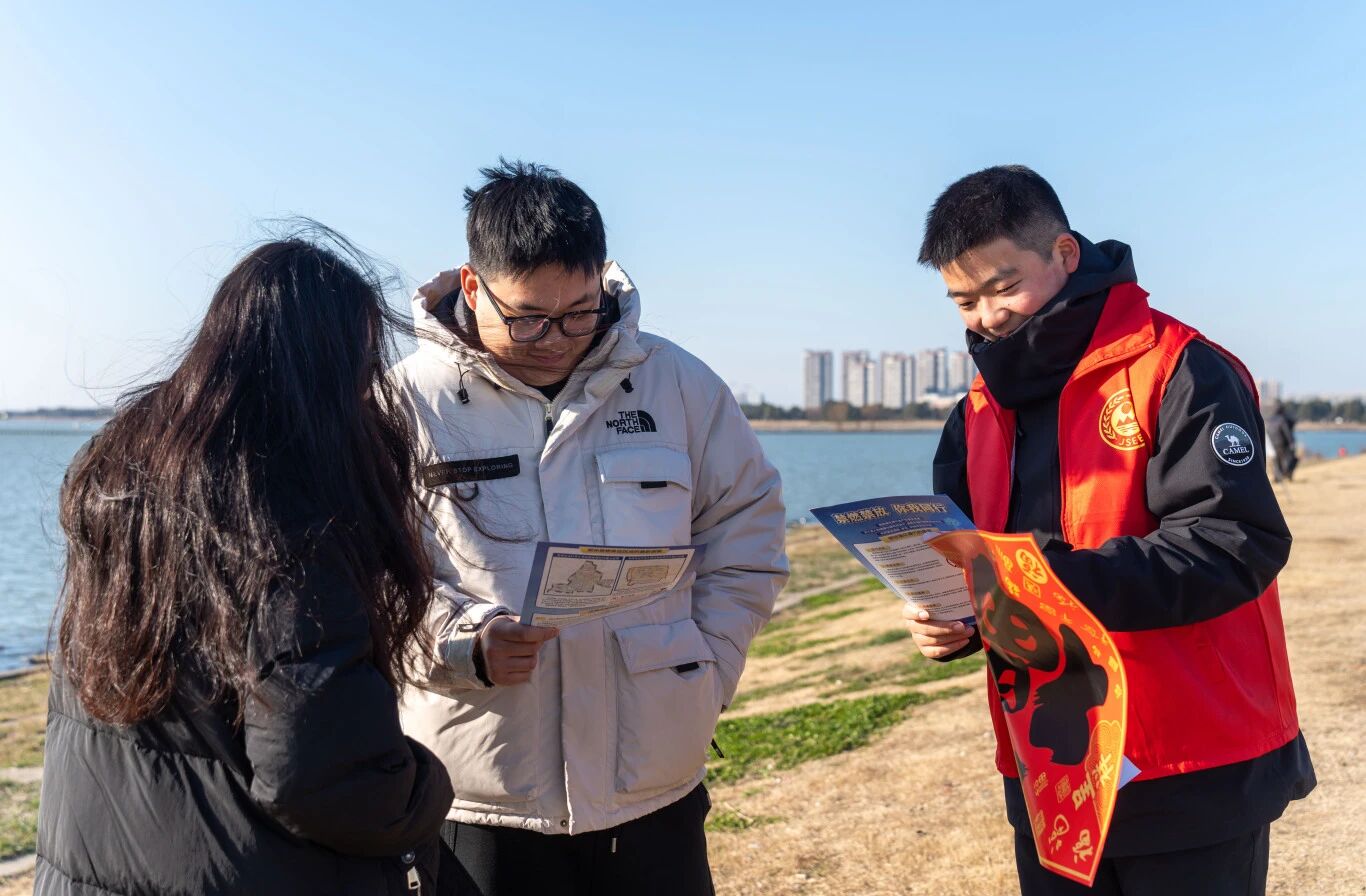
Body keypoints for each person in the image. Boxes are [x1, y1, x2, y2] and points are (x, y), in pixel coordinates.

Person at [904, 166, 1315, 895]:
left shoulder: (1180, 367)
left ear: (1064, 253)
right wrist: (956, 620)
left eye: (1004, 287)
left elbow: (1234, 542)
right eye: (963, 301)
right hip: (1050, 762)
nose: (987, 317)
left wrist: (1046, 581)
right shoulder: (976, 409)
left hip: (1193, 761)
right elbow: (967, 556)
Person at [392, 160, 788, 895]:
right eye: (527, 318)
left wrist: (708, 667)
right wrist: (460, 641)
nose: (556, 338)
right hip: (480, 795)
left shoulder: (679, 383)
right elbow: (364, 574)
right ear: (472, 286)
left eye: (580, 313)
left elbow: (746, 530)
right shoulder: (401, 405)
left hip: (653, 787)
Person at [38, 232, 455, 895]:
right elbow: (323, 774)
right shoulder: (290, 515)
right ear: (332, 371)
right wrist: (426, 790)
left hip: (93, 857)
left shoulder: (117, 472)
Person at [1266, 402, 1297, 482]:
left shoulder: (1269, 420)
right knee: (1289, 459)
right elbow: (1287, 432)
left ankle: (1277, 477)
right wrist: (1291, 443)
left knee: (1276, 460)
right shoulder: (1282, 420)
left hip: (1272, 443)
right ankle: (1287, 475)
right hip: (1282, 443)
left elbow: (1267, 432)